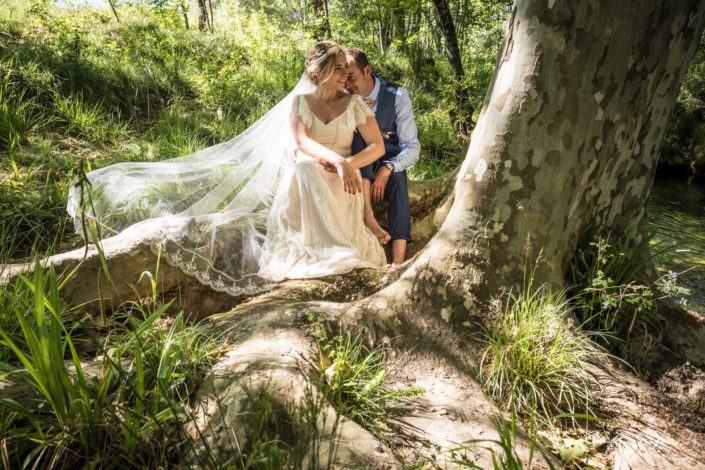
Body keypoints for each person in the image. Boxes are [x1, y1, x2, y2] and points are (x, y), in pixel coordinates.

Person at [66, 41, 387, 296]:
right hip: (311, 169)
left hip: (345, 178)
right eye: (339, 69)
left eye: (347, 68)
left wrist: (348, 164)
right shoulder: (300, 103)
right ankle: (321, 248)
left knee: (320, 171)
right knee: (305, 169)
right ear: (321, 72)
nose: (346, 74)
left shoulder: (354, 104)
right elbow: (301, 142)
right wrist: (335, 161)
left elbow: (377, 147)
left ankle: (338, 245)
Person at [345, 48, 421, 265]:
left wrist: (389, 167)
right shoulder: (344, 97)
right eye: (344, 78)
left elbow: (412, 147)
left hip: (389, 155)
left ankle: (398, 262)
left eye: (352, 77)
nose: (347, 85)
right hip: (359, 158)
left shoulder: (397, 96)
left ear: (367, 70)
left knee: (398, 180)